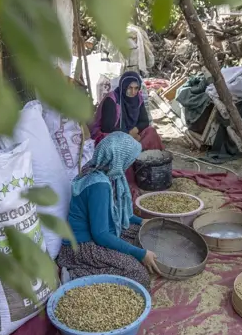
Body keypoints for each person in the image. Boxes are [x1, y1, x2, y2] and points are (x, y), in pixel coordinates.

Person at [57, 132, 160, 289]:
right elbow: (101, 235)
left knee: (140, 234)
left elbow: (117, 212)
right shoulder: (98, 185)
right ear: (119, 160)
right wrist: (140, 254)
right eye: (129, 159)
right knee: (138, 275)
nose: (130, 163)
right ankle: (76, 275)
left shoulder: (103, 170)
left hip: (101, 231)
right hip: (82, 246)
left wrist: (142, 221)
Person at [90, 71, 164, 151]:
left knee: (151, 131)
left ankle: (139, 154)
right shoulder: (112, 99)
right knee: (116, 145)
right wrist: (128, 134)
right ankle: (133, 155)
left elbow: (145, 121)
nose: (133, 92)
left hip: (132, 133)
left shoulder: (138, 98)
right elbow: (107, 128)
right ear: (123, 86)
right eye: (130, 88)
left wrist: (135, 130)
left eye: (136, 88)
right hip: (115, 135)